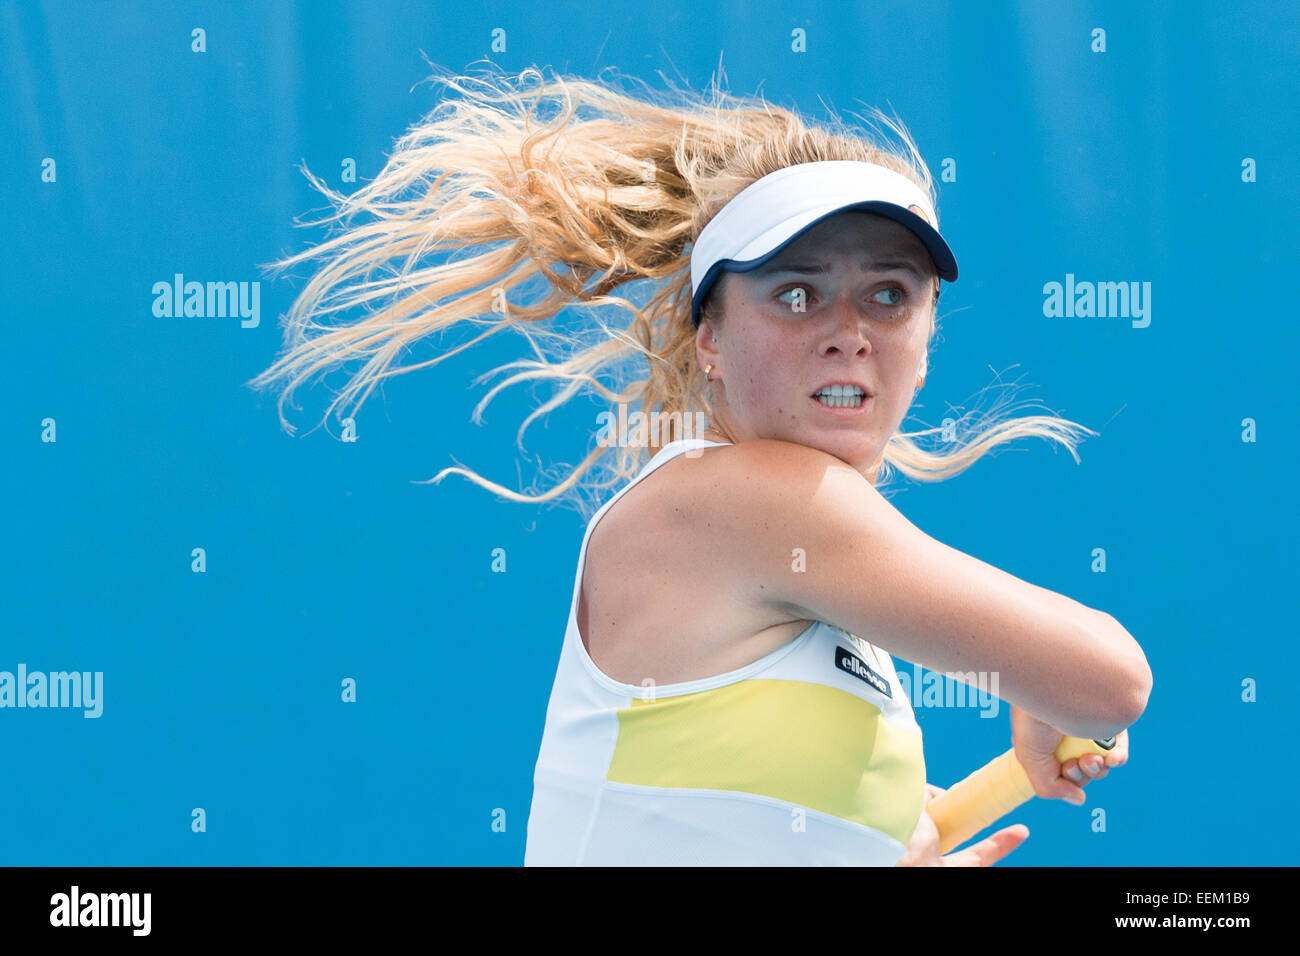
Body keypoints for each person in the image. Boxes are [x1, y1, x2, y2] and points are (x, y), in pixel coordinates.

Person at [246, 65, 1152, 866]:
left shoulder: (816, 588)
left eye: (888, 294)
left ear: (926, 336)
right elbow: (1111, 679)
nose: (848, 334)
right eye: (797, 293)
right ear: (708, 337)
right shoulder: (760, 503)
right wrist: (1050, 690)